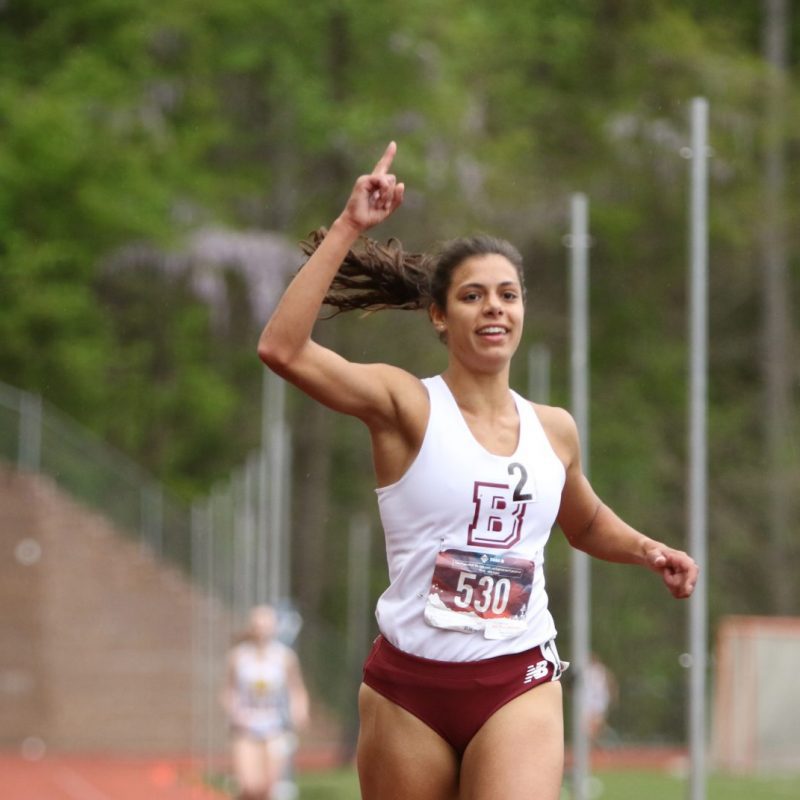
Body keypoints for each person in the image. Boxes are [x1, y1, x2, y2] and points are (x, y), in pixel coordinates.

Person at [257, 141, 698, 800]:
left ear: (521, 312)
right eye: (472, 296)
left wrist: (647, 549)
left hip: (515, 678)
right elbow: (283, 349)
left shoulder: (554, 429)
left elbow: (585, 523)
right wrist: (349, 226)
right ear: (440, 315)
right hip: (409, 691)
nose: (494, 307)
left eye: (508, 295)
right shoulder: (405, 405)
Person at [221, 605, 309, 800]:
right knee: (249, 786)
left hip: (274, 726)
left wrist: (299, 709)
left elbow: (296, 688)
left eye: (266, 625)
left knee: (268, 788)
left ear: (274, 628)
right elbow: (229, 690)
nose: (262, 630)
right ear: (251, 628)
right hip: (246, 726)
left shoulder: (285, 657)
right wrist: (233, 710)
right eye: (257, 626)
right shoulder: (238, 656)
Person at [586, 652, 618, 747]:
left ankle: (598, 743)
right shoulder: (586, 671)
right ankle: (600, 741)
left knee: (595, 725)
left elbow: (611, 682)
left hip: (599, 701)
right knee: (588, 726)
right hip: (588, 702)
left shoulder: (602, 671)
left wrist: (613, 696)